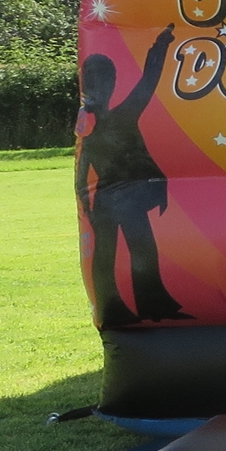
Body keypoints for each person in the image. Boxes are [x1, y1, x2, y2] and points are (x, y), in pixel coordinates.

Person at [75, 23, 187, 329]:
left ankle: (148, 306)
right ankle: (123, 308)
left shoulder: (107, 123)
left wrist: (160, 47)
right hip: (114, 200)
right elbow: (147, 83)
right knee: (117, 253)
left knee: (134, 251)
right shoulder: (101, 124)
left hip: (118, 199)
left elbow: (147, 83)